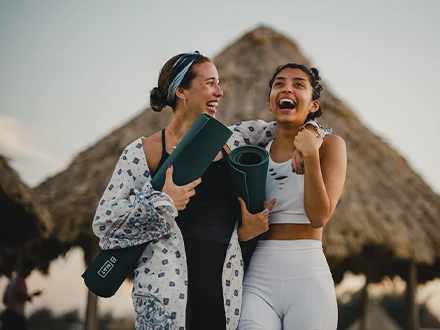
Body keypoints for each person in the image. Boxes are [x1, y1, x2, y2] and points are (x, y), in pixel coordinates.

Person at [92, 51, 329, 330]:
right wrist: (163, 201)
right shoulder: (144, 152)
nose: (220, 91)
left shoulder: (234, 139)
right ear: (182, 91)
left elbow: (288, 125)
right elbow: (106, 223)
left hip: (223, 287)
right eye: (210, 83)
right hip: (164, 290)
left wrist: (314, 129)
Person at [238, 63, 347, 330]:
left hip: (308, 278)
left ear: (313, 105)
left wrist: (310, 154)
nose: (287, 88)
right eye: (279, 84)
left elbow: (319, 216)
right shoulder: (255, 152)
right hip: (258, 278)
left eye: (299, 84)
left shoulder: (331, 146)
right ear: (269, 103)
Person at [1, 260, 42, 330]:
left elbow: (4, 300)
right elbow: (20, 297)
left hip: (8, 316)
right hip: (16, 317)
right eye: (29, 271)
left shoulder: (11, 281)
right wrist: (32, 295)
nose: (29, 274)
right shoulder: (20, 282)